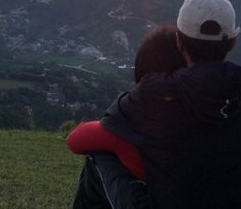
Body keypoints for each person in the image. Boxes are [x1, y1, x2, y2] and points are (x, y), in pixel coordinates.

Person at [70, 0, 241, 209]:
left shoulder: (155, 93)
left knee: (99, 154)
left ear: (179, 40)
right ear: (233, 41)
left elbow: (77, 141)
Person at [67, 25, 185, 181]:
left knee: (99, 158)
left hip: (148, 201)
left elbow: (75, 140)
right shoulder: (209, 110)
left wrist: (111, 120)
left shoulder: (130, 123)